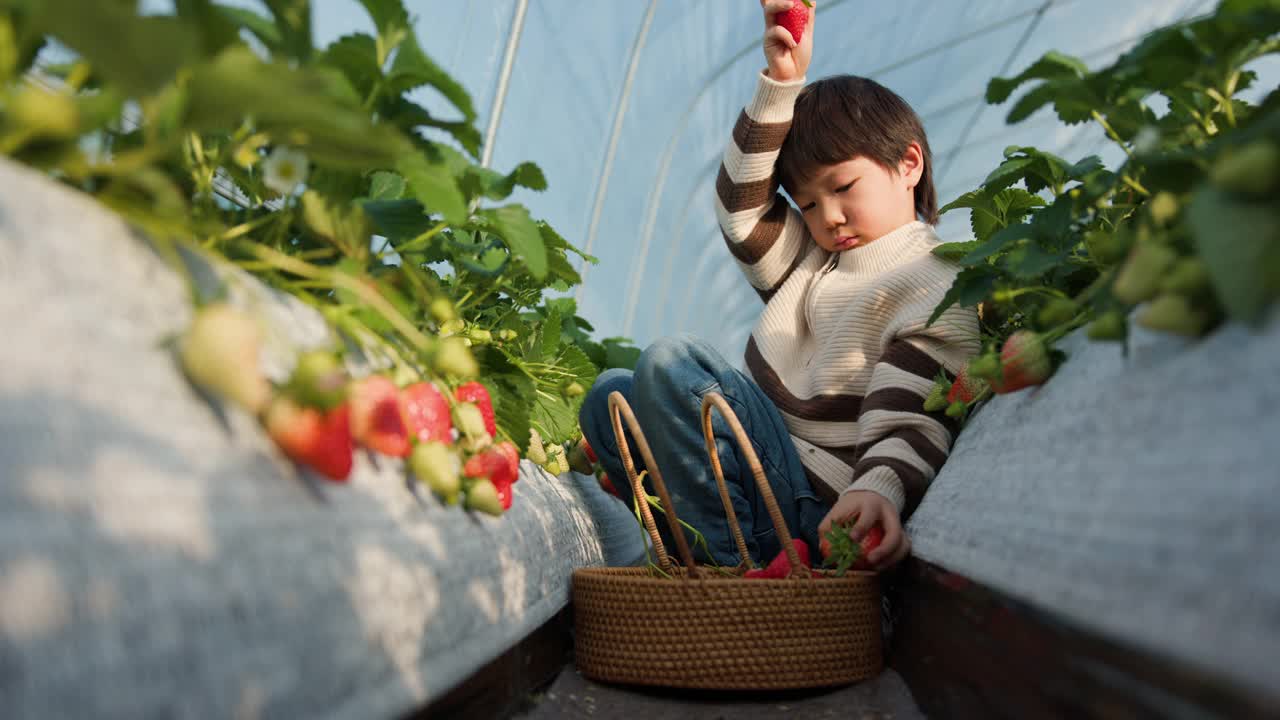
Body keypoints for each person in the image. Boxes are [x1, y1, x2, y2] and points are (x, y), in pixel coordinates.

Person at [578, 0, 979, 572]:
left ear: (909, 164)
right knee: (608, 396)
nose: (830, 217)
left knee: (671, 362)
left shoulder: (931, 275)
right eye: (809, 204)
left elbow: (913, 410)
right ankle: (713, 557)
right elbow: (741, 212)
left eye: (843, 187)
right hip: (763, 483)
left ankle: (731, 577)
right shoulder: (814, 266)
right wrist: (781, 84)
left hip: (816, 504)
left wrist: (880, 487)